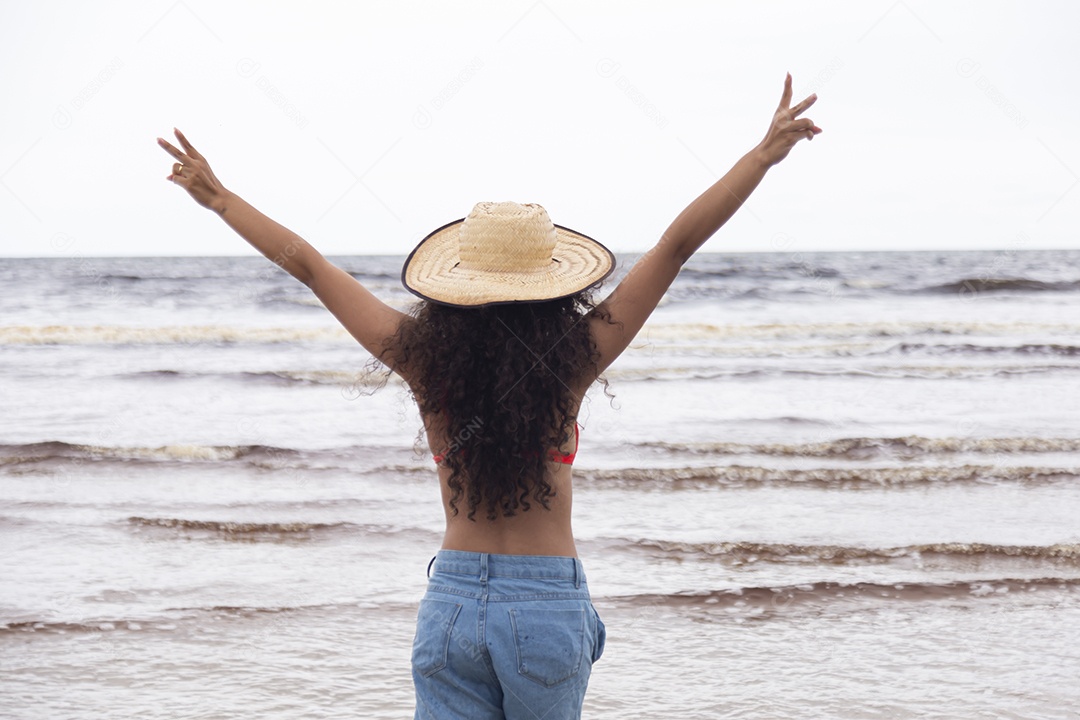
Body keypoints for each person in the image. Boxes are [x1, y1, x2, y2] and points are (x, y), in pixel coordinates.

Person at [158, 72, 820, 719]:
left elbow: (309, 266)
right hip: (545, 606)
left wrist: (221, 201)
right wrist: (761, 157)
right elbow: (675, 248)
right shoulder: (572, 360)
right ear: (556, 286)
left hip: (452, 604)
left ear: (453, 286)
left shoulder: (422, 359)